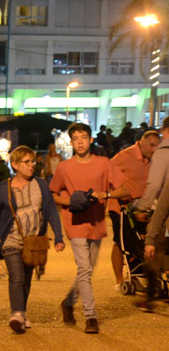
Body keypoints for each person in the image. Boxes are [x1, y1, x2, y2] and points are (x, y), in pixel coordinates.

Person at [50, 122, 127, 334]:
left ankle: (68, 302)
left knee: (88, 269)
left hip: (96, 222)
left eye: (83, 137)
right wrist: (72, 200)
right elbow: (53, 194)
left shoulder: (104, 163)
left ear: (91, 139)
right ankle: (91, 316)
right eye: (75, 139)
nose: (80, 142)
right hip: (74, 222)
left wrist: (106, 195)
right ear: (71, 142)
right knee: (84, 269)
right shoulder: (64, 167)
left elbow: (124, 189)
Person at [0, 146, 65, 333]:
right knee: (17, 276)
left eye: (33, 162)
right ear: (15, 164)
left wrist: (59, 237)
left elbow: (51, 211)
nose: (32, 165)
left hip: (34, 241)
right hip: (10, 239)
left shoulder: (41, 184)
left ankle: (22, 313)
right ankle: (17, 313)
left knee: (27, 278)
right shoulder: (4, 188)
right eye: (27, 162)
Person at [109, 131, 160, 292]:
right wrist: (119, 195)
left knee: (143, 241)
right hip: (120, 207)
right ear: (141, 143)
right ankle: (119, 281)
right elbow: (107, 176)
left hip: (142, 209)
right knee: (120, 241)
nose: (154, 149)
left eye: (156, 146)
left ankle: (143, 273)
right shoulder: (124, 157)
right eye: (151, 145)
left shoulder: (154, 160)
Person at [134, 118, 169, 311]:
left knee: (153, 255)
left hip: (164, 213)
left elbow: (156, 186)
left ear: (165, 130)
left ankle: (150, 297)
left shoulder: (163, 153)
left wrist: (143, 207)